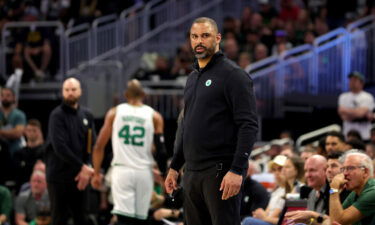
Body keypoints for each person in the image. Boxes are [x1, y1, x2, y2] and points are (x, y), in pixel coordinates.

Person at [164, 17, 258, 225]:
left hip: (220, 172)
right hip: (192, 172)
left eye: (205, 36)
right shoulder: (192, 78)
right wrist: (174, 166)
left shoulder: (234, 75)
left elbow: (249, 125)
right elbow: (185, 125)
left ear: (217, 38)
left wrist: (236, 170)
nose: (199, 41)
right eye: (194, 36)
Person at [91, 79, 167, 225]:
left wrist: (95, 173)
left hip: (122, 170)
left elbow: (99, 146)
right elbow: (162, 152)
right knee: (140, 219)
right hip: (144, 172)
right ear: (143, 94)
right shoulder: (154, 116)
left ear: (126, 95)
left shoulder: (114, 113)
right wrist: (163, 175)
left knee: (123, 219)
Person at [46, 77, 96, 225]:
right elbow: (59, 146)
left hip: (81, 177)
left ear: (80, 91)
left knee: (82, 217)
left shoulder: (87, 115)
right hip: (59, 177)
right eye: (66, 90)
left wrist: (88, 167)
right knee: (59, 218)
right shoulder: (56, 115)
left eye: (73, 90)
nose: (70, 93)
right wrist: (83, 167)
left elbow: (91, 144)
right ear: (62, 92)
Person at [330, 150, 375, 225]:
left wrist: (334, 188)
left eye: (350, 168)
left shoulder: (373, 192)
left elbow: (338, 220)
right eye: (343, 169)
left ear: (365, 172)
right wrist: (313, 216)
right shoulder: (355, 192)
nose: (345, 173)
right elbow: (334, 220)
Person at [338, 71, 375, 140]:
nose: (351, 82)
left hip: (364, 134)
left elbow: (360, 114)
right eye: (350, 80)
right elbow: (343, 116)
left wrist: (347, 111)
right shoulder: (343, 97)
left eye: (355, 80)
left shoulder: (367, 97)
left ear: (362, 83)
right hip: (348, 134)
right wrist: (359, 113)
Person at [14, 119, 45, 188]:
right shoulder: (19, 153)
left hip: (41, 187)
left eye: (34, 130)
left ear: (39, 132)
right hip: (22, 186)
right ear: (25, 132)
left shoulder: (45, 152)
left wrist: (25, 164)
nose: (31, 133)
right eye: (29, 130)